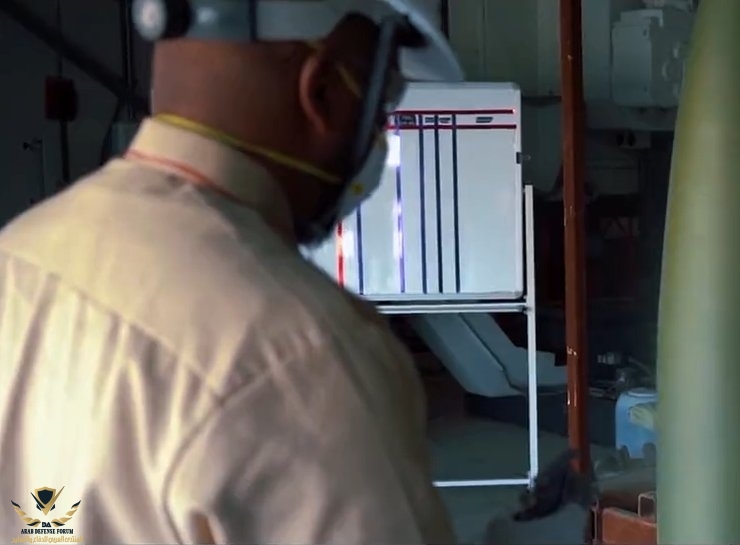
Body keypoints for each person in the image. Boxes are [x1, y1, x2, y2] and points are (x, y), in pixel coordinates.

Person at [0, 1, 586, 543]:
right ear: (322, 91)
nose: (379, 141)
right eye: (380, 108)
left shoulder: (21, 254)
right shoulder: (302, 351)